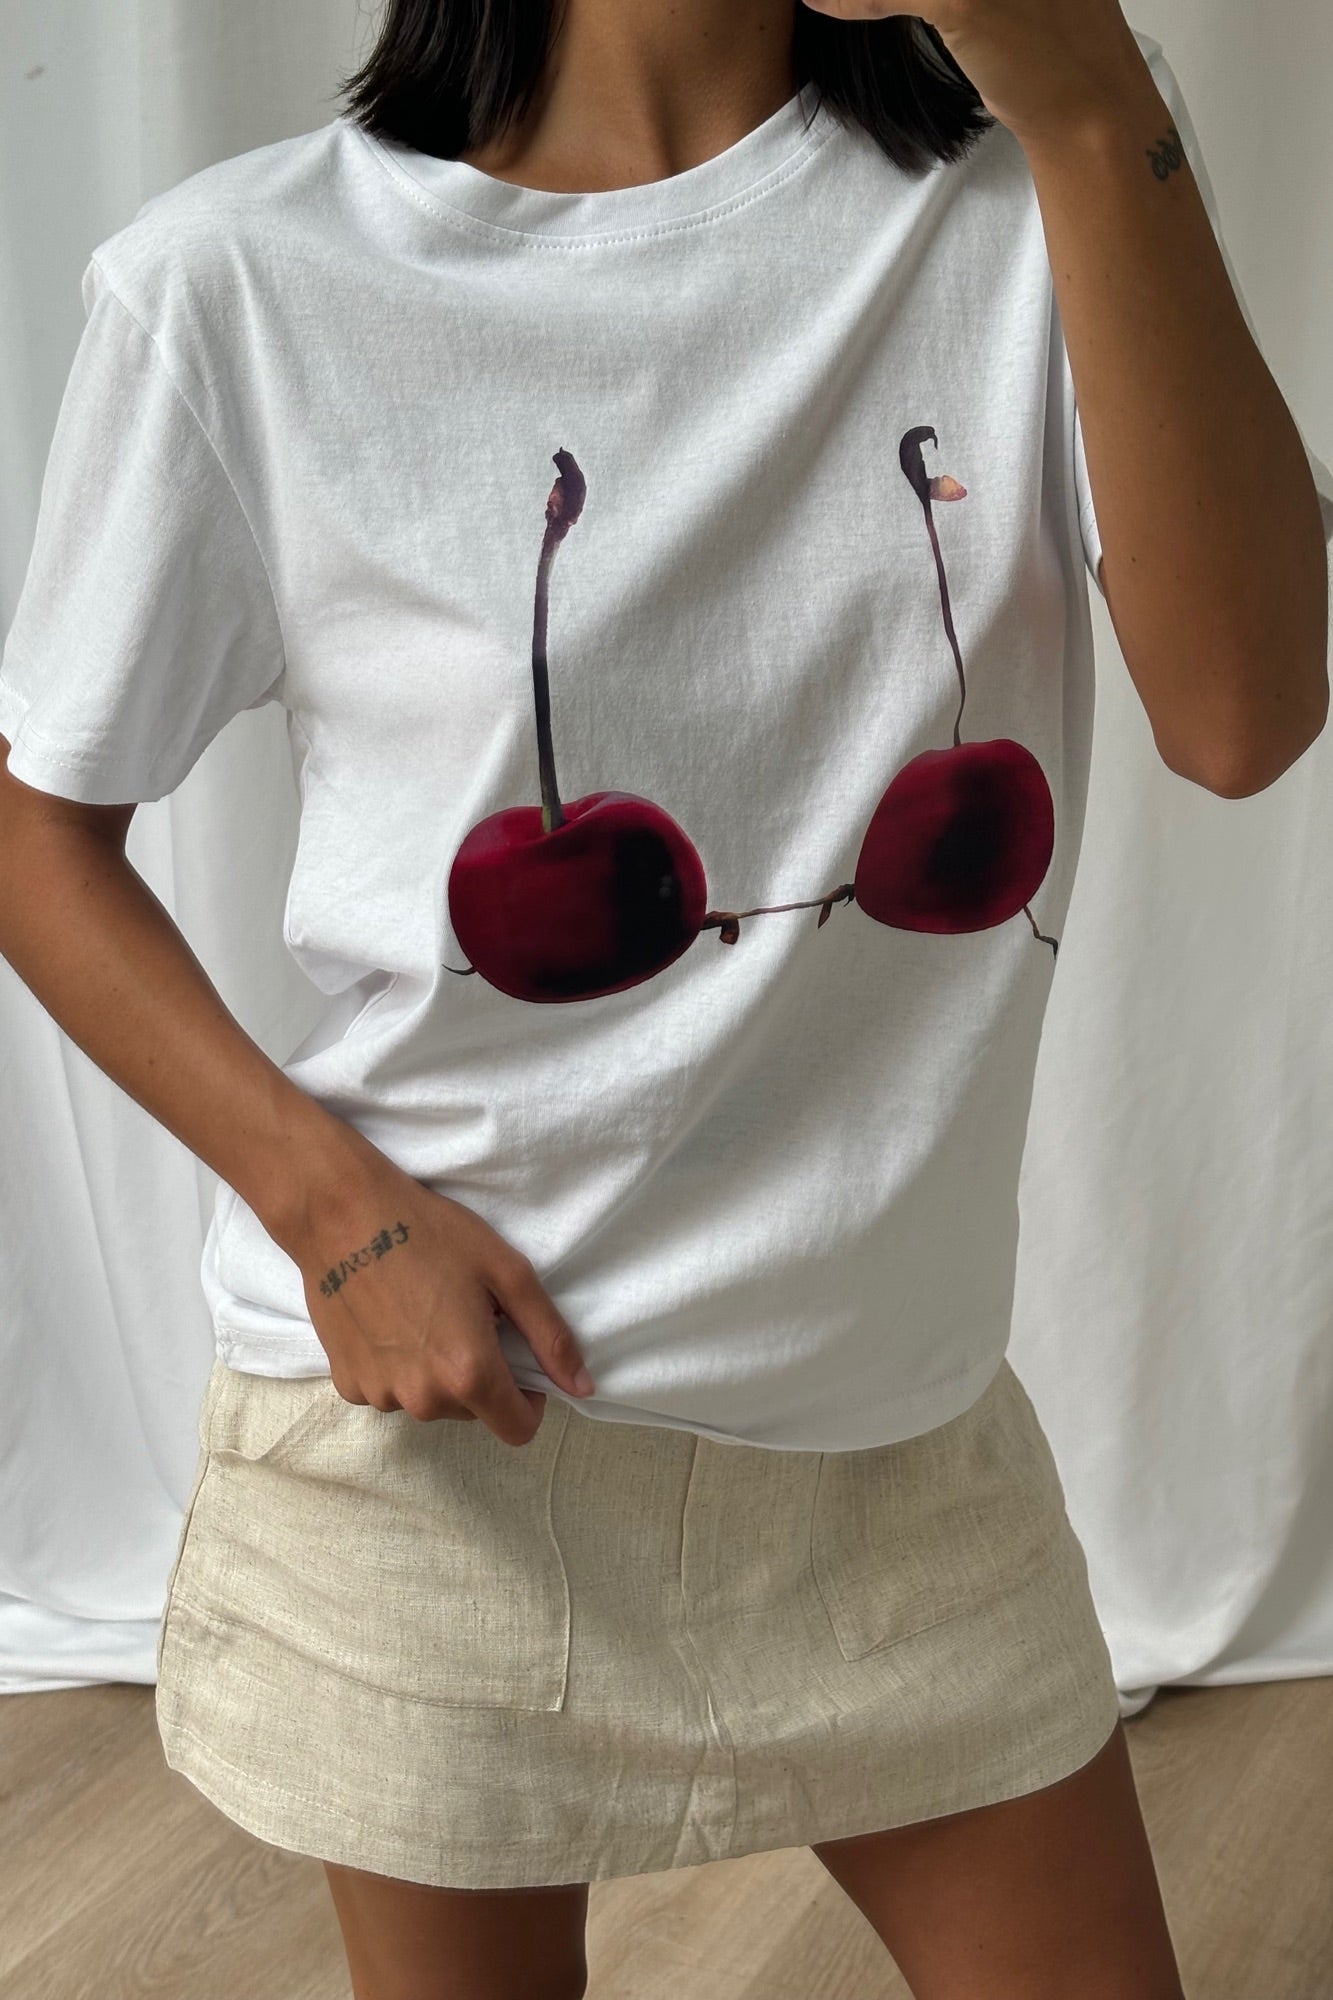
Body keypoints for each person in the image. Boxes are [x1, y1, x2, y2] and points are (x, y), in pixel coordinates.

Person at [1, 0, 1329, 1993]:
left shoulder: (1041, 191)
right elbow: (39, 831)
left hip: (891, 1455)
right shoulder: (238, 285)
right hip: (447, 1445)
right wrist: (331, 1212)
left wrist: (1083, 98)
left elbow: (1243, 716)